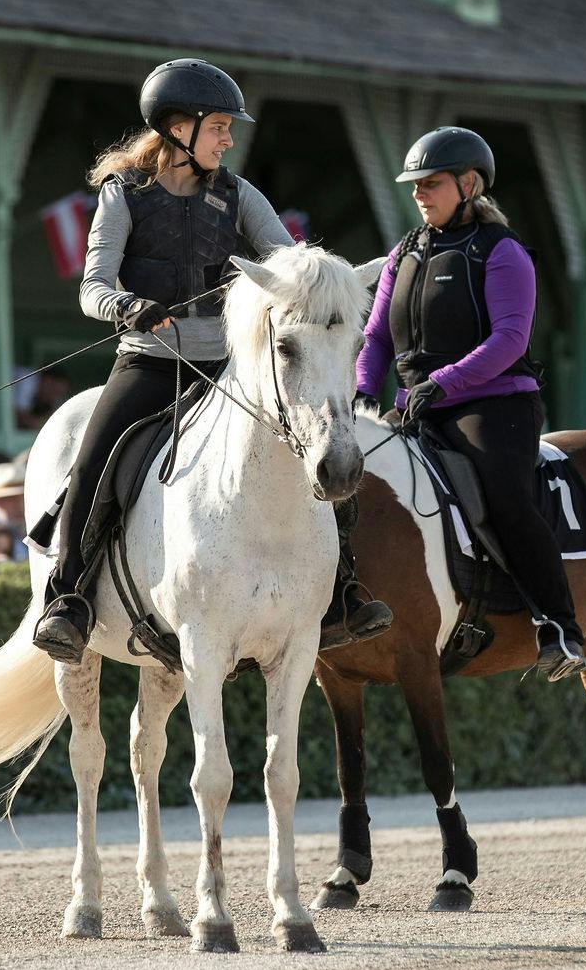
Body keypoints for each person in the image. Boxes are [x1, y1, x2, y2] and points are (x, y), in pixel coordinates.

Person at [29, 60, 387, 663]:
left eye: (228, 128)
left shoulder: (239, 194)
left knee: (322, 444)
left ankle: (343, 592)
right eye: (219, 126)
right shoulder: (124, 195)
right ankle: (67, 602)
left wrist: (329, 284)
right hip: (147, 363)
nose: (228, 138)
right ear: (178, 128)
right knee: (93, 464)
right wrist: (128, 306)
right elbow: (92, 288)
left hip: (224, 372)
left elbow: (289, 265)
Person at [357, 126, 584, 678]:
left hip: (493, 405)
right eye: (414, 186)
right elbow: (377, 338)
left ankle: (559, 627)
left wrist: (444, 383)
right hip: (417, 406)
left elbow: (509, 339)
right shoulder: (402, 255)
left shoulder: (502, 252)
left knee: (505, 498)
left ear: (469, 183)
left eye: (430, 184)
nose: (419, 194)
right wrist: (362, 389)